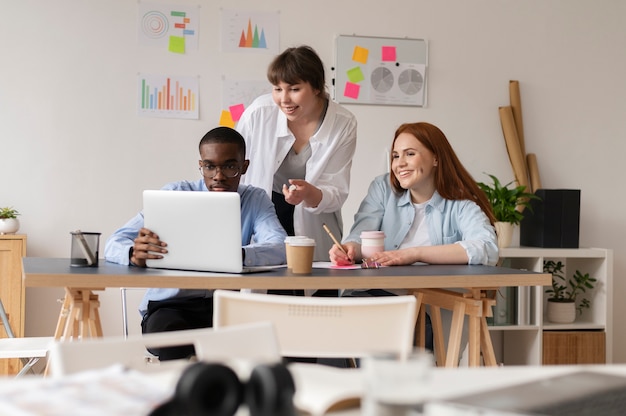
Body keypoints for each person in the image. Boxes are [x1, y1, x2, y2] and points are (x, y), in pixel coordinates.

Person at [104, 126, 287, 360]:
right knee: (173, 337)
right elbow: (114, 241)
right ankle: (181, 394)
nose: (218, 176)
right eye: (210, 166)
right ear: (201, 166)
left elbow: (280, 246)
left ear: (244, 166)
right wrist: (132, 253)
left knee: (263, 339)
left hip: (226, 306)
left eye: (230, 166)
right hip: (169, 306)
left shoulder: (255, 199)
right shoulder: (175, 194)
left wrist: (235, 255)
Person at [329, 122, 499, 354]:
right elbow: (361, 235)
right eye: (396, 155)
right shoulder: (383, 188)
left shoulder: (460, 203)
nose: (399, 164)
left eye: (410, 154)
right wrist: (349, 248)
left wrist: (413, 254)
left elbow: (486, 248)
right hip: (380, 296)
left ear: (436, 158)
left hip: (435, 305)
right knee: (340, 321)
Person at [237, 45, 357, 265]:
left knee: (317, 288)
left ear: (316, 88)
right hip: (265, 212)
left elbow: (336, 191)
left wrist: (309, 194)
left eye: (294, 89)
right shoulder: (258, 113)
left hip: (315, 216)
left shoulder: (343, 123)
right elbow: (235, 171)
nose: (284, 99)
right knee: (267, 287)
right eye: (277, 89)